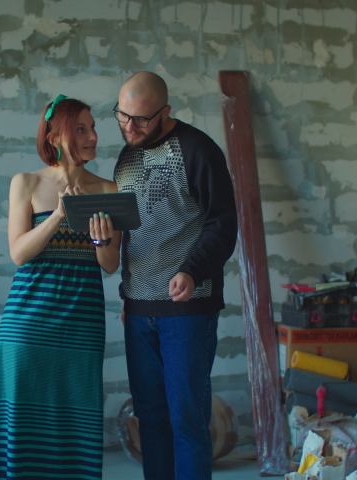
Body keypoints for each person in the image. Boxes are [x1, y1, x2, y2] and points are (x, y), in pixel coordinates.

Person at [0, 95, 121, 479]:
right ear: (55, 135)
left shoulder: (110, 190)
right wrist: (60, 215)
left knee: (75, 425)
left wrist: (100, 240)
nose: (92, 136)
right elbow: (18, 253)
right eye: (81, 128)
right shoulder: (26, 183)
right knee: (21, 426)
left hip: (82, 324)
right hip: (28, 323)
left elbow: (110, 264)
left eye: (93, 127)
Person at [113, 72, 238, 480]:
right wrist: (127, 295)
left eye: (141, 120)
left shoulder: (198, 150)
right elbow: (133, 232)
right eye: (122, 116)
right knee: (149, 417)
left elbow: (223, 223)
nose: (130, 128)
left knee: (187, 419)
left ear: (165, 112)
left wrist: (191, 269)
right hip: (139, 309)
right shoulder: (126, 156)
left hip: (187, 309)